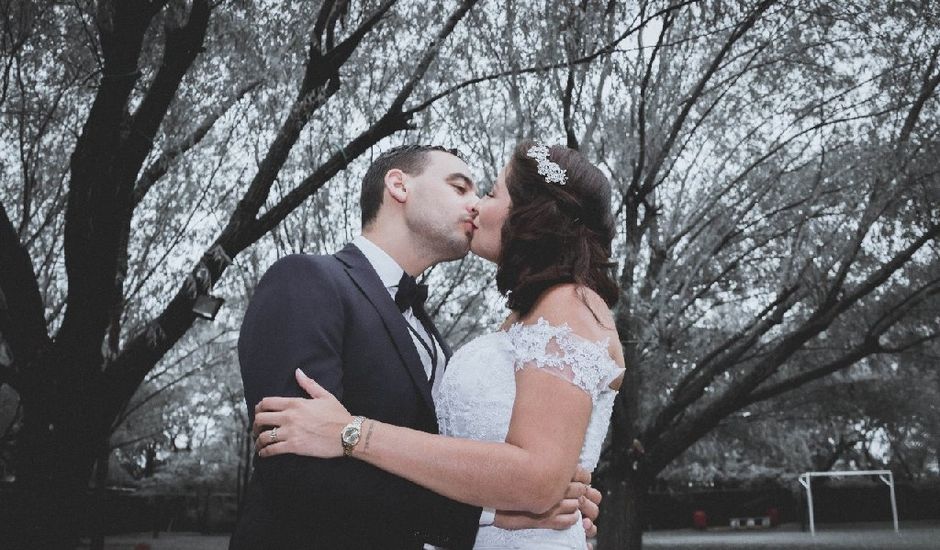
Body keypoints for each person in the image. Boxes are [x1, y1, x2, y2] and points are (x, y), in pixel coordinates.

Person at [253, 141, 625, 549]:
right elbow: (293, 462)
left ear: (533, 212)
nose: (476, 206)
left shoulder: (561, 306)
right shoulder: (306, 281)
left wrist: (547, 499)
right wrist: (495, 512)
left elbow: (530, 473)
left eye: (487, 192)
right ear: (399, 186)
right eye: (461, 188)